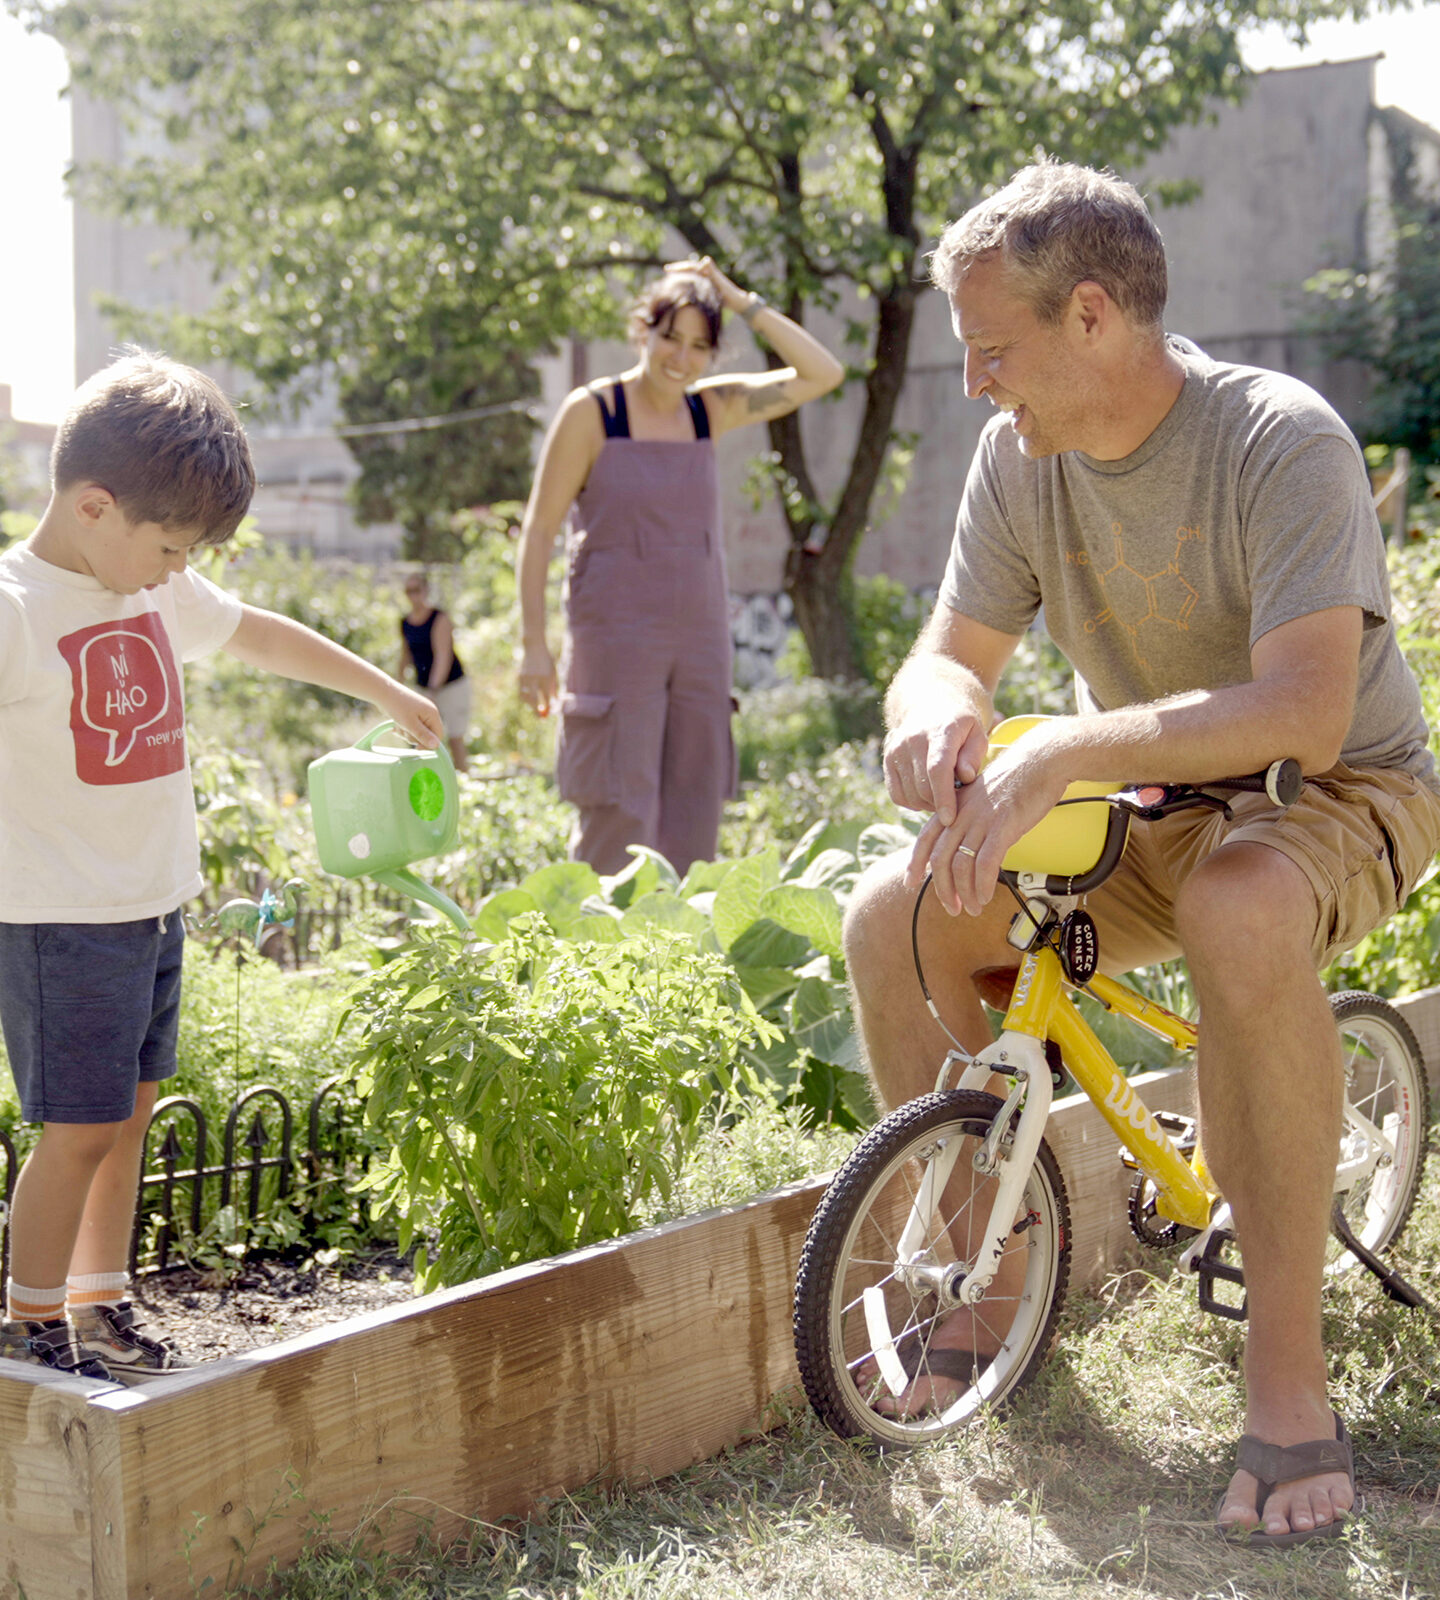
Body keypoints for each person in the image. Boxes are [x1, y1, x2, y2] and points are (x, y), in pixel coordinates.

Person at [842, 160, 1440, 1545]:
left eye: (995, 352)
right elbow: (946, 658)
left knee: (1239, 906)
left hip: (1343, 784)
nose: (980, 385)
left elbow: (1308, 709)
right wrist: (933, 723)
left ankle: (1288, 1382)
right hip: (1157, 797)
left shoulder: (1280, 441)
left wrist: (1067, 748)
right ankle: (987, 1291)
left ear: (1093, 317)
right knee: (900, 914)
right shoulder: (1020, 461)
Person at [0, 350, 443, 1384]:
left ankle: (97, 1305)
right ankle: (29, 1328)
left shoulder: (153, 587)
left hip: (151, 906)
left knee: (133, 1113)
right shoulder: (17, 605)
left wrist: (382, 689)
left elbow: (262, 638)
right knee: (76, 1129)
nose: (173, 569)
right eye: (166, 546)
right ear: (95, 506)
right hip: (60, 917)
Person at [515, 256, 844, 876]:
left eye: (699, 346)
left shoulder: (710, 410)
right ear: (643, 329)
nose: (681, 358)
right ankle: (602, 956)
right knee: (619, 808)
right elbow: (537, 531)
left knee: (695, 804)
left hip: (698, 642)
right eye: (670, 337)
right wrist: (534, 644)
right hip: (614, 643)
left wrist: (738, 298)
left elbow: (823, 372)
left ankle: (682, 959)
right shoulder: (593, 413)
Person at [398, 571, 471, 773]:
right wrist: (397, 685)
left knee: (455, 737)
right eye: (408, 591)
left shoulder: (439, 618)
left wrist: (433, 691)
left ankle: (463, 781)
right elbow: (405, 655)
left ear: (425, 591)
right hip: (422, 686)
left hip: (450, 685)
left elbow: (443, 657)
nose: (413, 595)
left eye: (416, 590)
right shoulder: (405, 622)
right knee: (419, 738)